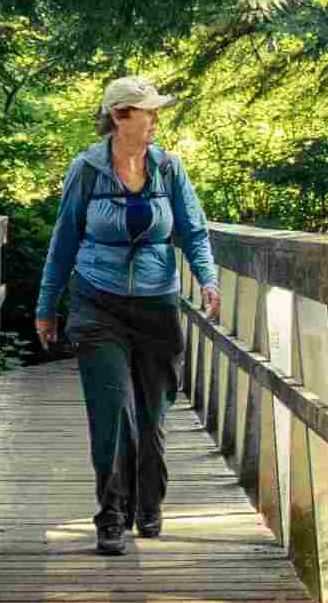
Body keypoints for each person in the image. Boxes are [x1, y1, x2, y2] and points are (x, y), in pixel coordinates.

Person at [34, 75, 222, 555]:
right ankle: (112, 514)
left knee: (153, 412)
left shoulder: (169, 168)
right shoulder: (88, 170)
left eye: (157, 112)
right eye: (148, 112)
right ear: (120, 116)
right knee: (113, 409)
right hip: (98, 301)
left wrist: (208, 279)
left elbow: (194, 232)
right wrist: (46, 305)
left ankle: (149, 502)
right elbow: (64, 240)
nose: (156, 120)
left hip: (157, 304)